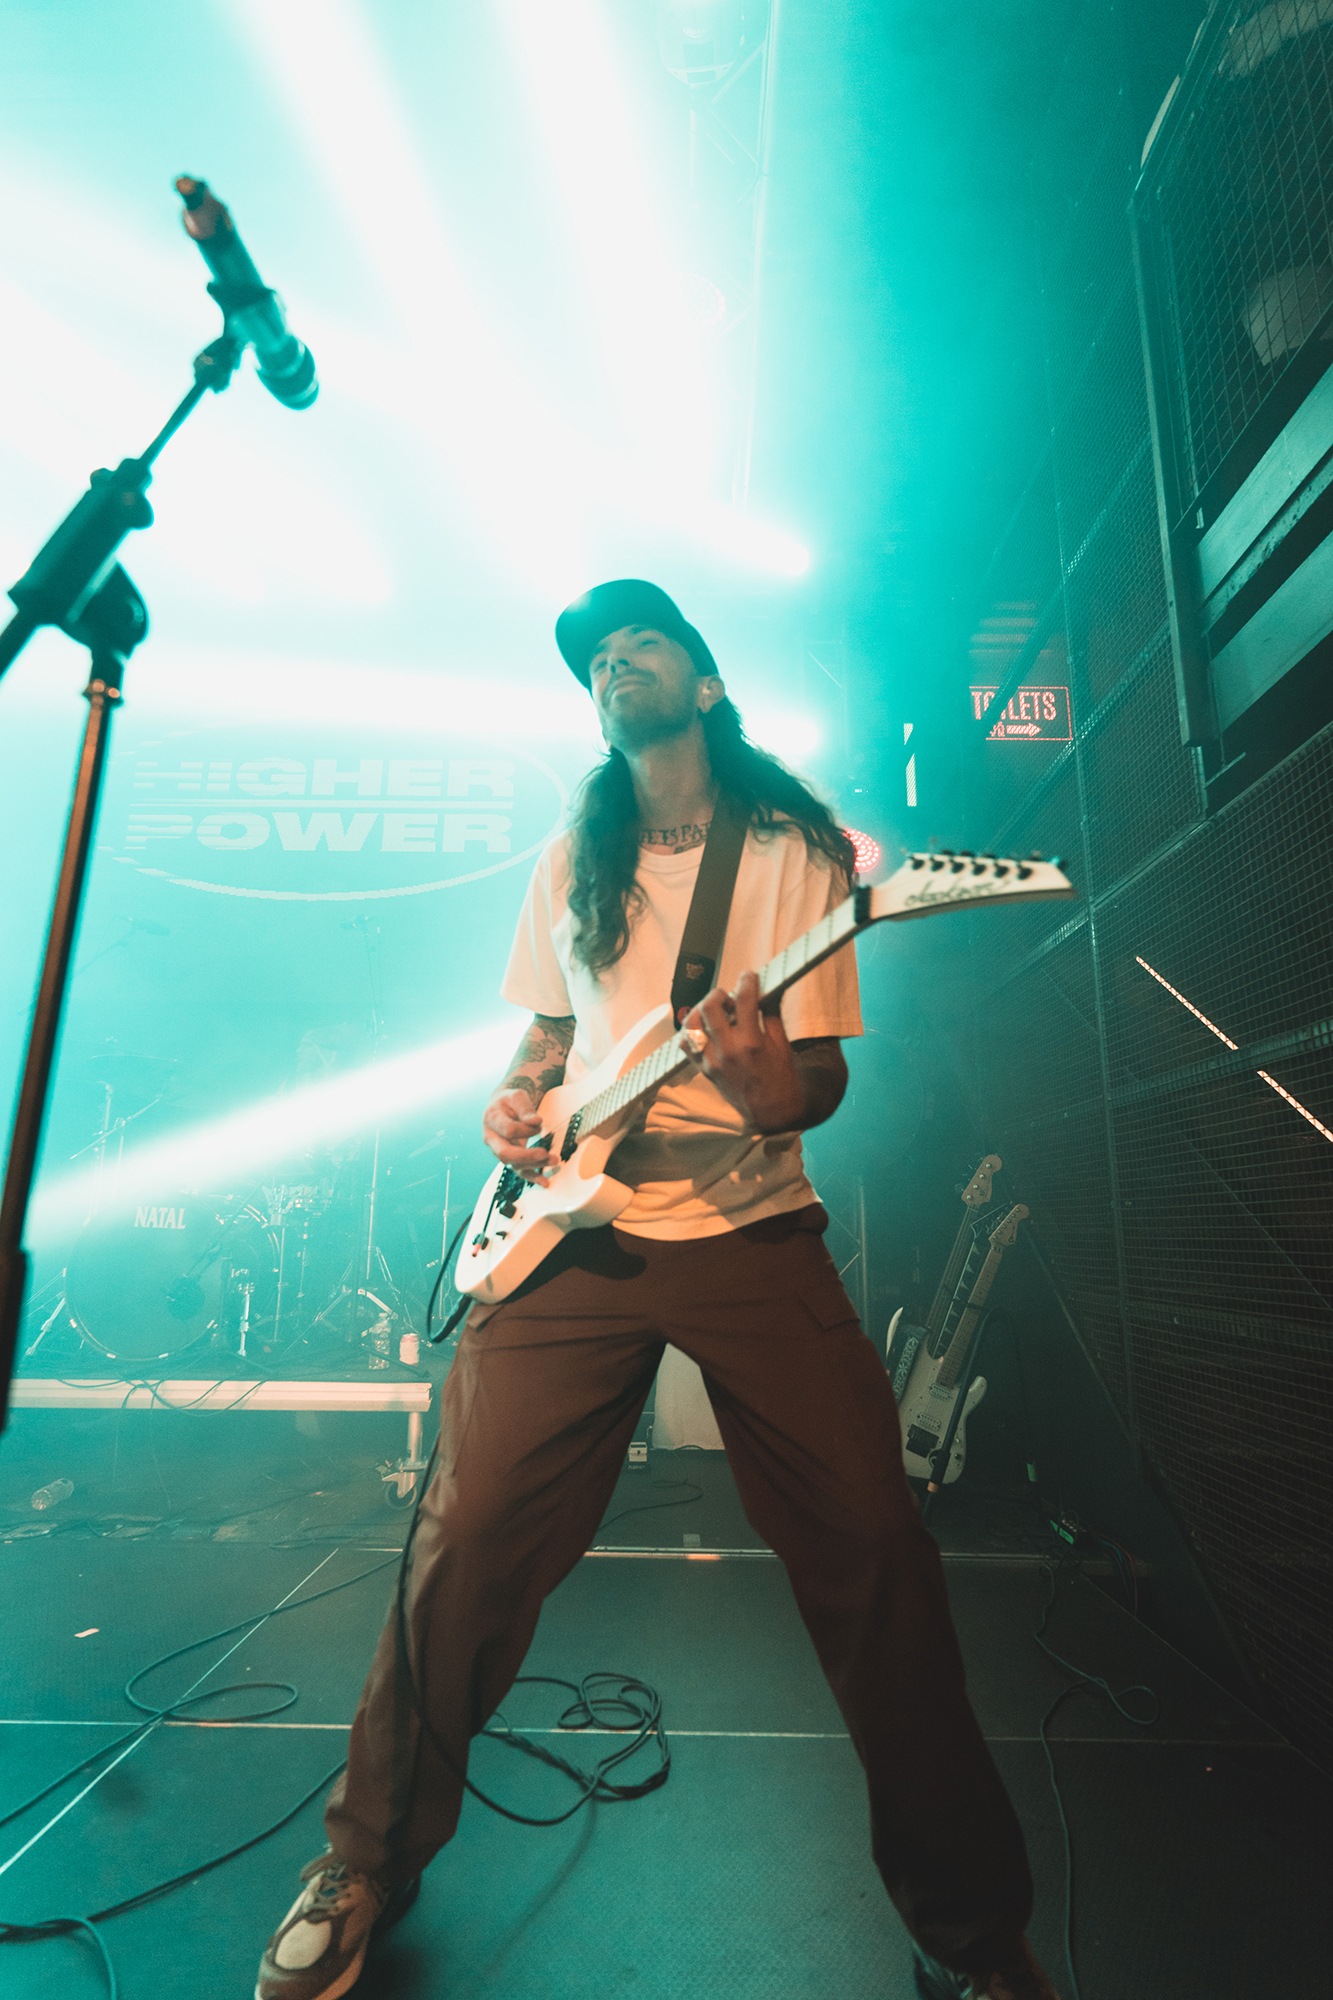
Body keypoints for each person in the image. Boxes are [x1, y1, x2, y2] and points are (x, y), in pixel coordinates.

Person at [255, 580, 1060, 2000]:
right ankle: (363, 1860)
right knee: (465, 1537)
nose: (612, 665)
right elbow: (547, 1035)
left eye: (641, 644)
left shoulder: (797, 850)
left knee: (876, 1546)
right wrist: (514, 1103)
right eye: (593, 659)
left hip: (748, 1232)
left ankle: (974, 1936)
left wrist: (766, 1088)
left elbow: (816, 1075)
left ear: (704, 681)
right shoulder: (575, 852)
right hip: (572, 1239)